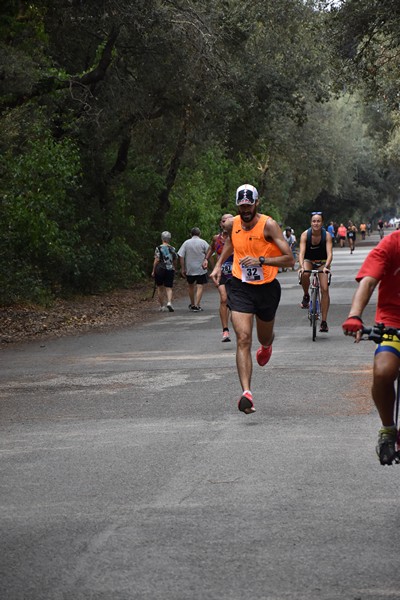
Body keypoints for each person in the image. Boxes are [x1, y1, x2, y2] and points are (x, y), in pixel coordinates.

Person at [210, 184, 294, 414]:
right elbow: (230, 243)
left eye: (249, 205)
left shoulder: (268, 225)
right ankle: (246, 392)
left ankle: (267, 346)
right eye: (242, 206)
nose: (245, 210)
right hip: (240, 286)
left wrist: (262, 261)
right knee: (243, 338)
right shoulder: (231, 224)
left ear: (257, 203)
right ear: (237, 205)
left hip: (267, 288)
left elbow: (289, 259)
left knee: (263, 336)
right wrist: (218, 265)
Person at [342, 230, 400, 465]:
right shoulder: (391, 243)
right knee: (384, 371)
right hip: (392, 321)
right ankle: (388, 430)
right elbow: (368, 282)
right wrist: (355, 315)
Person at [298, 212, 333, 333]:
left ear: (322, 223)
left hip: (322, 262)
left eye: (318, 221)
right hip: (309, 260)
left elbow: (329, 254)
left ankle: (323, 321)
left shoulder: (327, 235)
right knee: (304, 274)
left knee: (324, 289)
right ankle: (306, 295)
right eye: (314, 221)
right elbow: (301, 253)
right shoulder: (305, 235)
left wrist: (326, 266)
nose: (316, 223)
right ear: (311, 222)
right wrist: (302, 266)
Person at [204, 214, 234, 341]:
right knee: (223, 299)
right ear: (221, 223)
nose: (226, 222)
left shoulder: (238, 237)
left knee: (235, 302)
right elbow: (211, 248)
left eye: (229, 220)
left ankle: (238, 325)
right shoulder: (216, 238)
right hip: (222, 273)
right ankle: (225, 330)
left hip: (236, 273)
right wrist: (206, 259)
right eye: (223, 221)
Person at [178, 227, 210, 311]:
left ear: (191, 234)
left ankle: (192, 304)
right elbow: (210, 253)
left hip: (190, 268)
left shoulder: (186, 243)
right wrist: (210, 264)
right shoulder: (203, 242)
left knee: (190, 286)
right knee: (200, 286)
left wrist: (182, 268)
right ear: (200, 234)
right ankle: (197, 304)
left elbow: (181, 255)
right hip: (201, 268)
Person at [151, 231, 177, 312]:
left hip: (160, 270)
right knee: (169, 287)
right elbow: (175, 259)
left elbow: (157, 260)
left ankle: (162, 306)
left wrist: (153, 270)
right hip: (170, 269)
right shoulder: (172, 248)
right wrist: (174, 267)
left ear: (162, 238)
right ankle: (169, 302)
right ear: (169, 239)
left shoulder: (158, 248)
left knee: (160, 287)